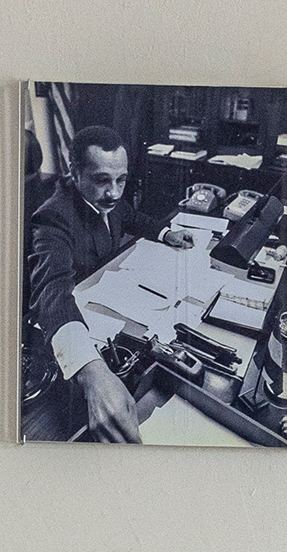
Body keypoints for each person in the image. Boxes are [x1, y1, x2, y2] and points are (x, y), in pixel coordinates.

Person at [26, 124, 197, 442]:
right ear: (74, 172)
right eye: (102, 180)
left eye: (121, 179)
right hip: (77, 325)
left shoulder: (109, 198)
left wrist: (164, 233)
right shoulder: (53, 217)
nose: (115, 192)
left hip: (114, 306)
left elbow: (130, 216)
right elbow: (51, 290)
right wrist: (90, 371)